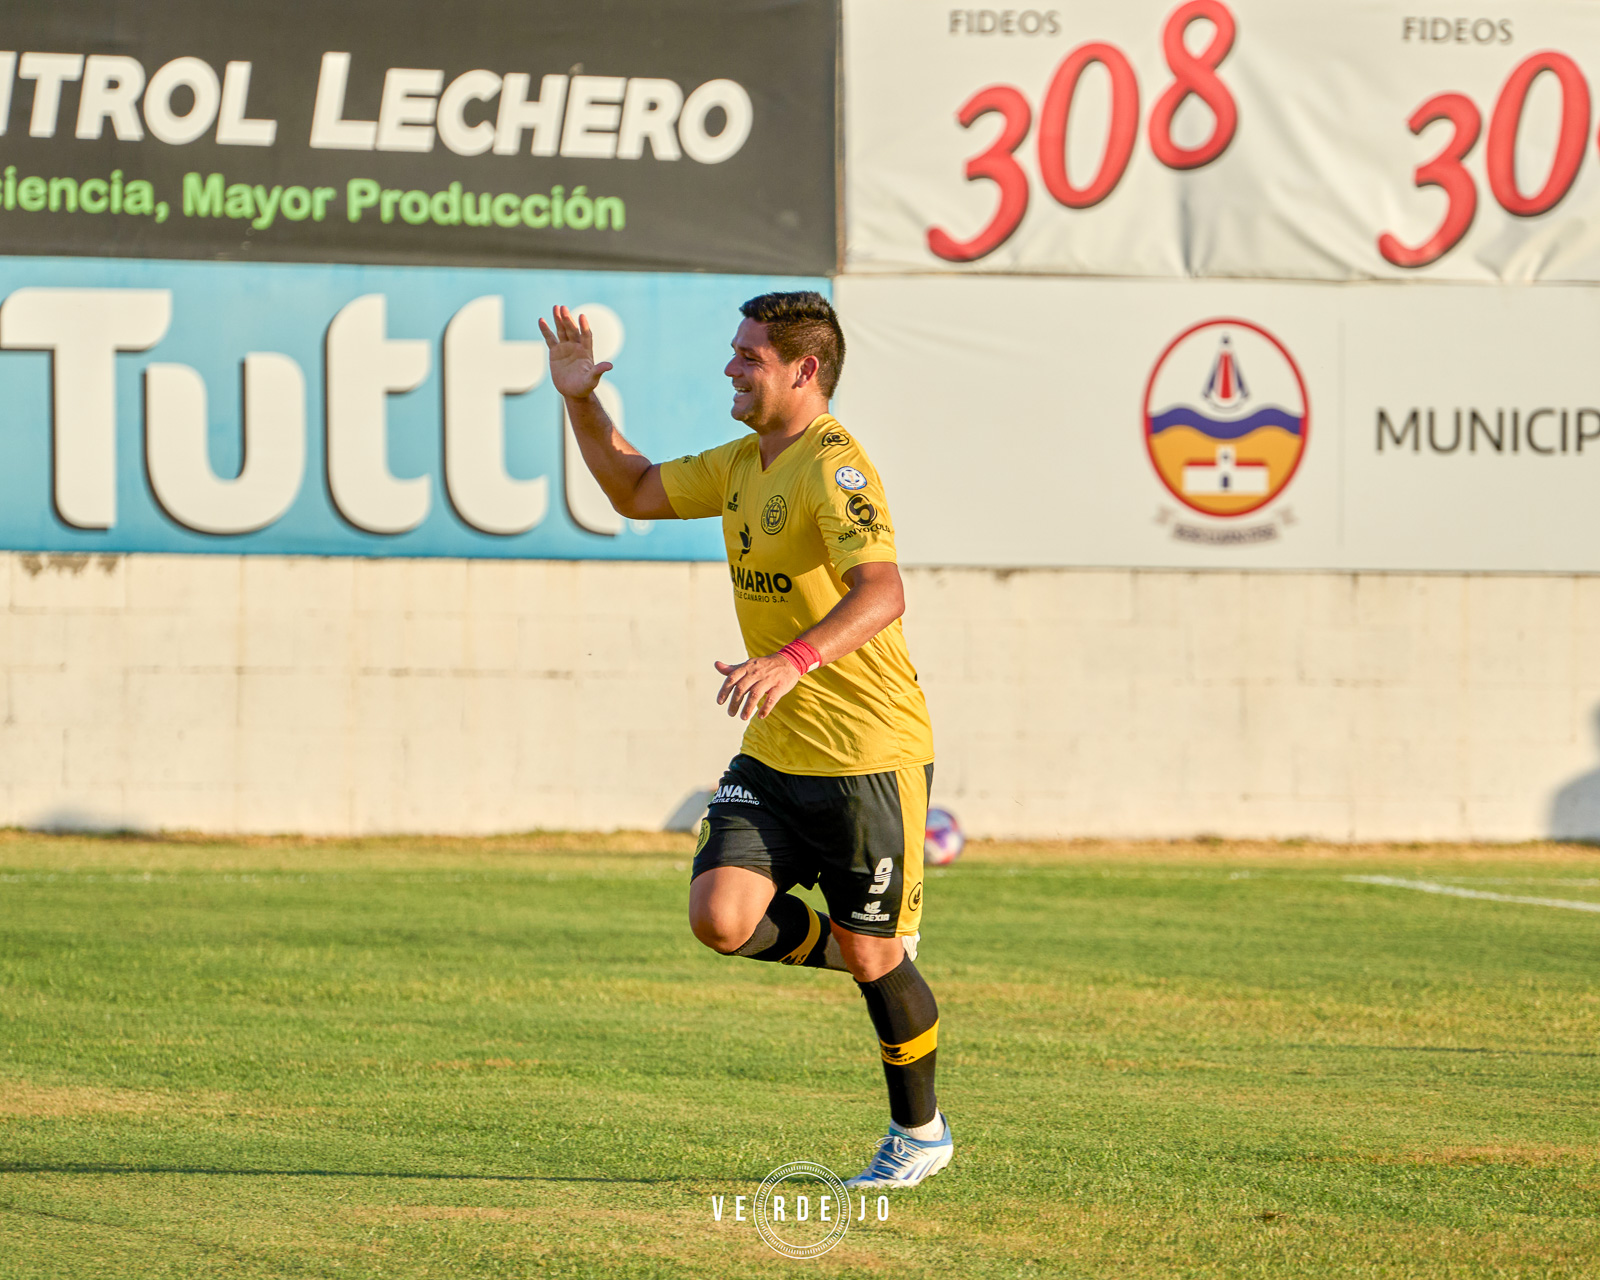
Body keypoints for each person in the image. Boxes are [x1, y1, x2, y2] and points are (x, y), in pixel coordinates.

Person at [539, 292, 949, 1189]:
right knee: (720, 918)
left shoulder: (836, 470)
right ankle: (862, 944)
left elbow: (884, 591)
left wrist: (797, 657)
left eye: (749, 357)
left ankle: (919, 1134)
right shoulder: (742, 463)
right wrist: (579, 398)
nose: (730, 366)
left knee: (878, 962)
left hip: (865, 754)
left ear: (805, 371)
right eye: (733, 351)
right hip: (775, 751)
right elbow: (635, 489)